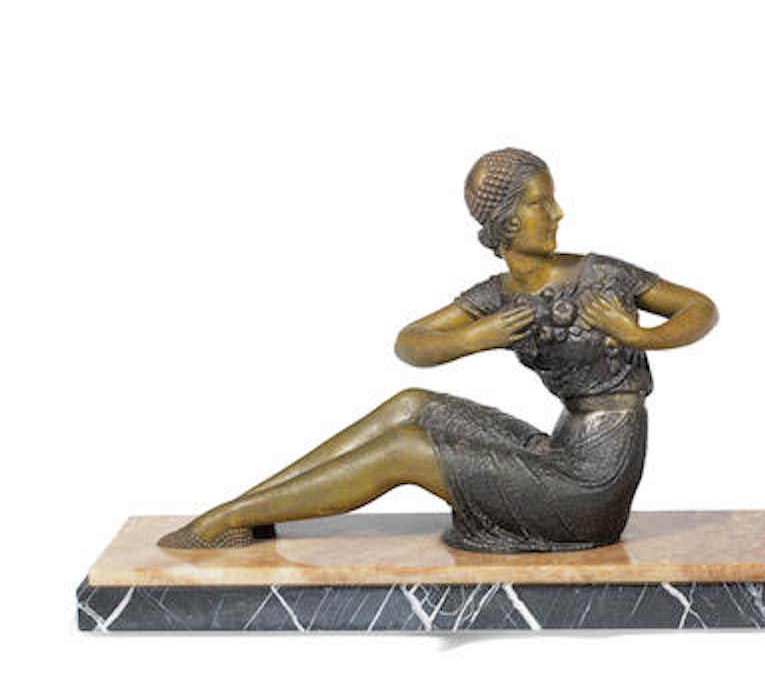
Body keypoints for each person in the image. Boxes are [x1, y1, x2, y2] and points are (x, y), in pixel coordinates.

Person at [159, 149, 718, 552]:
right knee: (413, 404)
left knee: (405, 450)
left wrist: (638, 336)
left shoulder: (600, 275)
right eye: (541, 203)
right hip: (561, 452)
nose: (557, 214)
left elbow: (699, 308)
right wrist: (477, 337)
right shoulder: (498, 295)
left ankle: (228, 520)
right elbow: (411, 342)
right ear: (507, 222)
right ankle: (244, 511)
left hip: (592, 486)